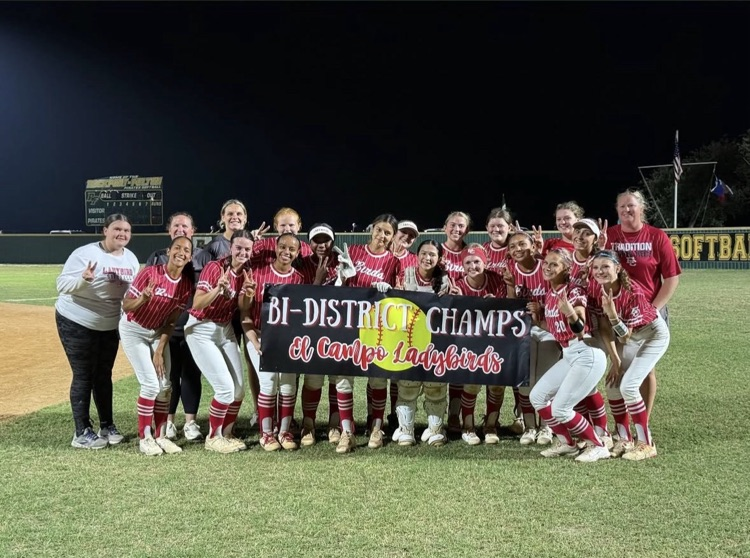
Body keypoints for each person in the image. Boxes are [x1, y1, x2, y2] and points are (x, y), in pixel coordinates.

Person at [55, 213, 140, 449]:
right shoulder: (85, 254)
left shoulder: (131, 259)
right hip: (76, 320)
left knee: (104, 375)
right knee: (84, 374)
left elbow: (129, 296)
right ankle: (81, 432)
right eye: (117, 229)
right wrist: (84, 279)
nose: (122, 234)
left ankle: (107, 425)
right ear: (105, 230)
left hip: (109, 324)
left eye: (126, 230)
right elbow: (62, 285)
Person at [528, 248, 611, 462]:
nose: (547, 267)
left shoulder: (573, 291)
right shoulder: (550, 293)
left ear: (566, 268)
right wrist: (537, 319)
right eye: (546, 263)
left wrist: (570, 312)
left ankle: (599, 445)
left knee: (561, 409)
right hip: (569, 354)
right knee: (537, 397)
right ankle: (567, 443)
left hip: (586, 352)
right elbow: (554, 327)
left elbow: (580, 327)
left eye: (554, 264)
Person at [605, 189, 681, 417]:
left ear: (642, 208)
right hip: (617, 312)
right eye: (622, 207)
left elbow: (671, 278)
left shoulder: (657, 236)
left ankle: (643, 422)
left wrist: (652, 309)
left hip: (650, 310)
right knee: (619, 365)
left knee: (646, 368)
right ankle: (622, 425)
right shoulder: (609, 235)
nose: (626, 210)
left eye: (631, 205)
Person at [589, 250, 670, 460]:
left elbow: (625, 336)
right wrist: (615, 360)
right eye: (596, 267)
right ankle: (625, 438)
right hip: (630, 336)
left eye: (605, 266)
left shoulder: (632, 290)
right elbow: (605, 328)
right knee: (613, 384)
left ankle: (646, 443)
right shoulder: (599, 289)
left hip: (652, 335)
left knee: (629, 385)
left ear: (617, 268)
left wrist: (614, 314)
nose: (600, 271)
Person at [120, 236, 194, 455]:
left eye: (186, 250)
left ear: (190, 257)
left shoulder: (185, 285)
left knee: (165, 387)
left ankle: (160, 436)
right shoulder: (150, 273)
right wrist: (143, 299)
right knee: (151, 386)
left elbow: (171, 320)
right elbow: (126, 306)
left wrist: (160, 350)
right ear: (169, 251)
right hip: (134, 329)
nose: (181, 252)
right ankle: (145, 438)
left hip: (157, 334)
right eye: (177, 248)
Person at [334, 213, 401, 453]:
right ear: (371, 228)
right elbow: (336, 291)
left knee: (377, 377)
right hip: (349, 324)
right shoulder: (352, 250)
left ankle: (376, 427)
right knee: (344, 377)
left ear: (392, 237)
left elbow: (399, 296)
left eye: (387, 233)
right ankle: (347, 431)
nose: (382, 236)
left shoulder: (393, 261)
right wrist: (342, 276)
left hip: (377, 327)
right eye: (379, 230)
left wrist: (389, 290)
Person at [185, 230, 255, 454]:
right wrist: (218, 289)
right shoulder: (215, 268)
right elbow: (197, 303)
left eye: (247, 249)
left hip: (224, 329)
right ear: (231, 248)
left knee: (238, 390)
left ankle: (226, 433)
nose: (242, 252)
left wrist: (248, 295)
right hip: (201, 328)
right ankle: (213, 437)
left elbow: (243, 308)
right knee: (225, 389)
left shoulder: (247, 272)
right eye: (239, 247)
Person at [145, 212, 204, 442]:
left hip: (192, 326)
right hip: (165, 326)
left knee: (191, 374)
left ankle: (190, 422)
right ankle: (168, 421)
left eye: (185, 226)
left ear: (193, 231)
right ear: (169, 231)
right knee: (168, 376)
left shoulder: (203, 257)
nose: (181, 229)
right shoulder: (157, 257)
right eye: (176, 225)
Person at [243, 233, 305, 451]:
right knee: (268, 381)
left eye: (292, 249)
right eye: (282, 247)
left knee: (288, 383)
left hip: (286, 340)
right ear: (276, 247)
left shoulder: (298, 280)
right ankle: (266, 433)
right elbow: (244, 313)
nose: (286, 252)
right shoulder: (258, 274)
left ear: (298, 253)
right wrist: (254, 341)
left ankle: (285, 431)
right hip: (259, 335)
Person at [391, 239, 452, 447]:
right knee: (408, 386)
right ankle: (406, 429)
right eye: (424, 253)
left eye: (432, 255)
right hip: (408, 340)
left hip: (436, 342)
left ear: (439, 258)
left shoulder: (445, 279)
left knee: (435, 387)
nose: (428, 258)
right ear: (417, 256)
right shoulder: (405, 273)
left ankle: (435, 429)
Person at [503, 230, 559, 446]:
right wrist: (509, 285)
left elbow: (558, 293)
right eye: (513, 246)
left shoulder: (545, 265)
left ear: (532, 246)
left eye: (522, 244)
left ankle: (546, 426)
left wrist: (541, 307)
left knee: (545, 378)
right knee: (525, 379)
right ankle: (529, 426)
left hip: (547, 327)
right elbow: (511, 306)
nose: (518, 249)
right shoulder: (510, 270)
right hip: (523, 331)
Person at [454, 244, 512, 445]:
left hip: (498, 341)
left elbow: (512, 307)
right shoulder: (458, 285)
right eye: (468, 262)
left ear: (485, 262)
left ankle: (490, 425)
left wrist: (498, 303)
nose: (473, 266)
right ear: (462, 266)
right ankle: (468, 427)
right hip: (471, 342)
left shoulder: (497, 280)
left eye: (477, 261)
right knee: (472, 383)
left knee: (496, 385)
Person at [296, 223, 342, 447]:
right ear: (309, 242)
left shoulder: (342, 260)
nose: (322, 245)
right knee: (313, 379)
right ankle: (309, 423)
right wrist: (317, 280)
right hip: (312, 329)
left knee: (336, 377)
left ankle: (335, 422)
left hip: (339, 329)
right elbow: (300, 302)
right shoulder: (302, 263)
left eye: (326, 240)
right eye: (317, 240)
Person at [482, 207, 523, 436]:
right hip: (489, 321)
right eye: (493, 225)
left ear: (511, 227)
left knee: (518, 370)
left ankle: (521, 418)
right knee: (494, 372)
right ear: (487, 227)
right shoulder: (480, 251)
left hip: (515, 319)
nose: (497, 229)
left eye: (501, 225)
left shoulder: (516, 250)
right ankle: (491, 420)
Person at [440, 211, 473, 433]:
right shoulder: (434, 249)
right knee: (440, 366)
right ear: (445, 227)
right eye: (453, 225)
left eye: (461, 226)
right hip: (437, 317)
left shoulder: (470, 253)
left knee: (459, 367)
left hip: (463, 318)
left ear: (467, 230)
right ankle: (435, 416)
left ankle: (454, 414)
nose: (457, 229)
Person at [386, 219, 420, 428]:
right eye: (403, 233)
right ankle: (377, 416)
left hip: (405, 323)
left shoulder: (415, 260)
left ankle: (396, 415)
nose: (406, 237)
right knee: (378, 374)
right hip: (379, 321)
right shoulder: (382, 255)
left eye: (411, 235)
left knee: (399, 373)